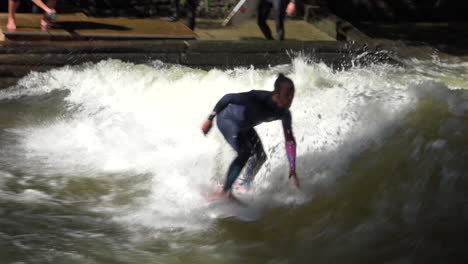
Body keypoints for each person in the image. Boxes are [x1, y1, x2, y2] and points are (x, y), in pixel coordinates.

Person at [201, 73, 300, 200]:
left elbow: (289, 140)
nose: (290, 98)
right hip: (227, 119)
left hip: (245, 126)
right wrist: (210, 119)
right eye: (287, 95)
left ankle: (243, 184)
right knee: (245, 152)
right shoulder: (257, 98)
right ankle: (225, 192)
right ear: (276, 93)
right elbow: (228, 97)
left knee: (261, 156)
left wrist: (292, 167)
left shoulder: (284, 114)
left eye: (292, 95)